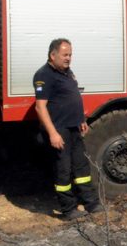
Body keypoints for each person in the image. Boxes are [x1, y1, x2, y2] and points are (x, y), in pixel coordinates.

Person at [33, 38, 103, 220]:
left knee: (81, 168)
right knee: (63, 170)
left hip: (74, 128)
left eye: (70, 54)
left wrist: (81, 119)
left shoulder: (67, 72)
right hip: (59, 130)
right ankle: (68, 208)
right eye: (65, 55)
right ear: (53, 55)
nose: (68, 58)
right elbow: (40, 107)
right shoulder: (44, 75)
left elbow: (72, 97)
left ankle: (91, 203)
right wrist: (53, 133)